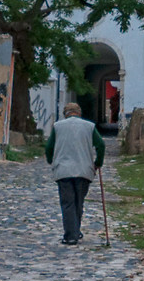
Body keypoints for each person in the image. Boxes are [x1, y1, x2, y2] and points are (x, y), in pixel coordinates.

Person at [45, 100, 105, 244]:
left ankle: (71, 235)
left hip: (63, 170)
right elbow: (101, 145)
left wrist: (50, 160)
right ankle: (75, 231)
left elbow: (49, 147)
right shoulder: (89, 126)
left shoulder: (57, 126)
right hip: (84, 170)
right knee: (79, 202)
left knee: (67, 203)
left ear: (65, 114)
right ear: (79, 113)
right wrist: (98, 163)